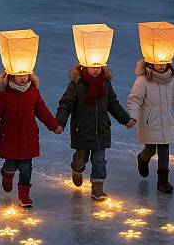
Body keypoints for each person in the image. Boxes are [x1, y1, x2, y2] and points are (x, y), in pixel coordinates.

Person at [0, 71, 61, 207]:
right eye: (19, 75)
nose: (23, 77)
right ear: (11, 75)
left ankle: (24, 195)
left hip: (28, 137)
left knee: (26, 167)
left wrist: (54, 126)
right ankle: (6, 174)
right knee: (10, 165)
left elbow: (42, 111)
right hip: (9, 137)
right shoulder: (4, 93)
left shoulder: (33, 92)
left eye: (25, 74)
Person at [56, 64, 133, 200]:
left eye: (98, 66)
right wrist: (60, 122)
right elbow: (66, 104)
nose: (96, 69)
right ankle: (77, 168)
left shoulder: (105, 83)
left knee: (99, 160)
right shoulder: (76, 84)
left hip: (101, 130)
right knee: (81, 159)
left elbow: (112, 104)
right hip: (82, 130)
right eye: (93, 67)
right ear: (84, 66)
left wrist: (125, 119)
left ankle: (97, 188)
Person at [127, 60, 174, 193]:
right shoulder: (143, 80)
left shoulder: (170, 79)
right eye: (158, 63)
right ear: (150, 63)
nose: (162, 65)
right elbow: (135, 99)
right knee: (150, 150)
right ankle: (142, 158)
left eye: (164, 62)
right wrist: (132, 117)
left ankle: (163, 182)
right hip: (149, 122)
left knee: (164, 149)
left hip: (166, 121)